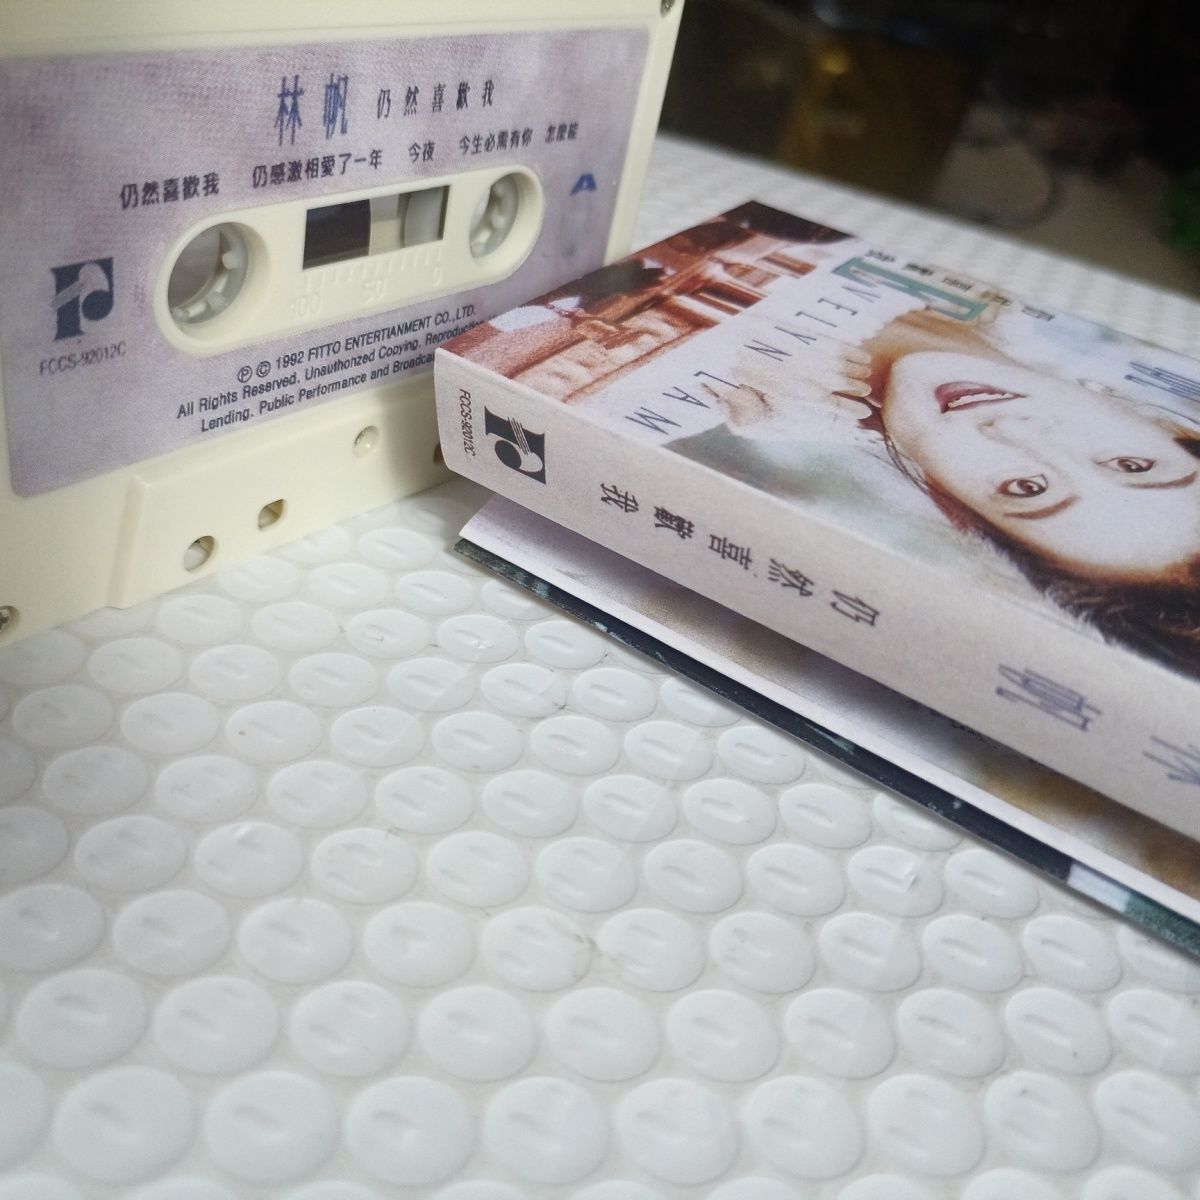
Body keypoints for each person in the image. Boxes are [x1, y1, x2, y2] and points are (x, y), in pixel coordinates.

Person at [719, 307, 1200, 674]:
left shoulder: (773, 402)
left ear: (953, 508)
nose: (1015, 430)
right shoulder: (1028, 310)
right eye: (1132, 464)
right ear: (1166, 427)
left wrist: (729, 348)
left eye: (1027, 488)